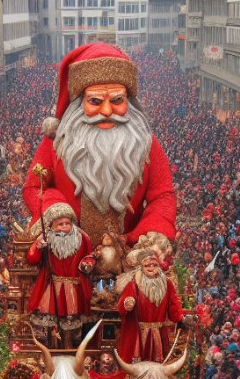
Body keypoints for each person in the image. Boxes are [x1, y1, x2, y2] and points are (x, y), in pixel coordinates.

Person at [22, 42, 177, 246]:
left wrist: (148, 234)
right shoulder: (56, 142)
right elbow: (34, 187)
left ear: (128, 102)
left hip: (129, 255)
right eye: (95, 101)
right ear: (79, 103)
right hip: (68, 254)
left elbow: (163, 195)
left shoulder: (145, 143)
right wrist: (58, 210)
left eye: (116, 100)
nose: (106, 110)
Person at [26, 204, 93, 344]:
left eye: (67, 223)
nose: (63, 227)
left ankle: (71, 347)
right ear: (52, 225)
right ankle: (52, 347)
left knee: (72, 321)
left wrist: (88, 263)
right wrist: (38, 247)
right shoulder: (45, 238)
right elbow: (32, 259)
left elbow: (89, 256)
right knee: (51, 321)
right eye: (59, 224)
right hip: (52, 286)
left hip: (74, 287)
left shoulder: (82, 238)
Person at [117, 250, 185, 363]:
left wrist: (180, 317)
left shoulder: (167, 284)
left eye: (154, 265)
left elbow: (173, 305)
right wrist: (127, 303)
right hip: (139, 333)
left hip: (159, 333)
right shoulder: (134, 284)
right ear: (141, 267)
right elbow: (123, 302)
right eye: (147, 265)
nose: (151, 267)